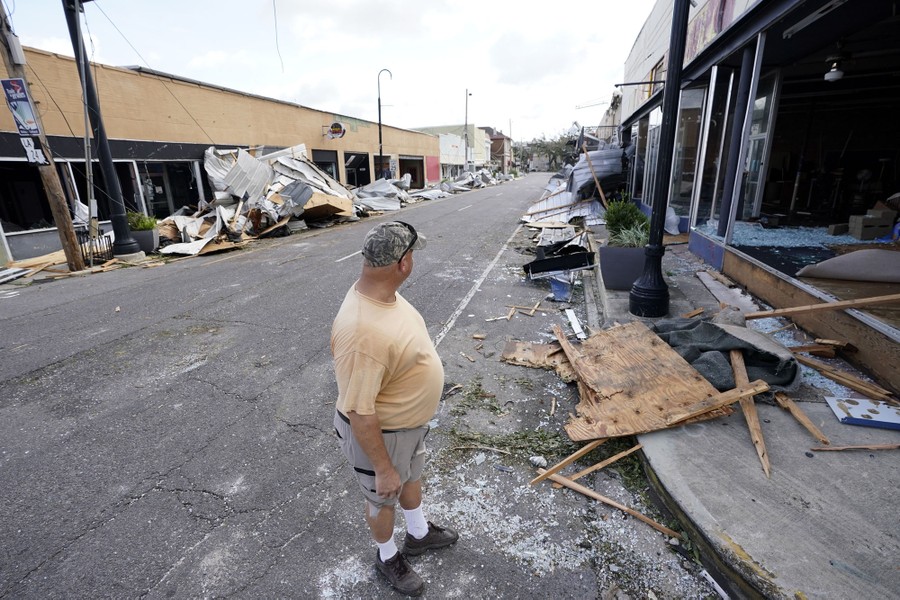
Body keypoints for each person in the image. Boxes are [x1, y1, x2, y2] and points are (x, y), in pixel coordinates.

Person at [331, 221, 459, 596]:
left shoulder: (378, 293)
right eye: (413, 255)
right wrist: (384, 467)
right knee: (383, 495)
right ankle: (386, 556)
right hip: (380, 435)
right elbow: (359, 412)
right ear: (402, 263)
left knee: (411, 478)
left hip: (407, 428)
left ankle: (417, 534)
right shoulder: (363, 330)